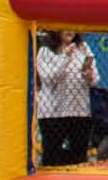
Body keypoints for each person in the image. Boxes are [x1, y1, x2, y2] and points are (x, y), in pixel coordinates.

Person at [34, 30, 98, 166]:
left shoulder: (83, 48)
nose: (70, 30)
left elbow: (95, 80)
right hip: (53, 112)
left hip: (79, 110)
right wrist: (65, 57)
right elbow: (49, 79)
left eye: (73, 27)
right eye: (65, 27)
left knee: (79, 156)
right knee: (51, 155)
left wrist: (89, 75)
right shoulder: (46, 51)